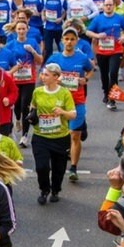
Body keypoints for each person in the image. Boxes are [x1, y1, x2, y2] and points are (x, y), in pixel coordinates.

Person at [51, 26, 95, 179]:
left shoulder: (82, 57)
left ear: (76, 41)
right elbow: (44, 73)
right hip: (58, 102)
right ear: (62, 41)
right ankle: (59, 160)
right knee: (59, 134)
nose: (69, 42)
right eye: (66, 39)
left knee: (74, 135)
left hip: (77, 101)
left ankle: (73, 168)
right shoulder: (55, 58)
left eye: (72, 39)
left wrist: (86, 79)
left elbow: (91, 69)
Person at [30, 63, 77, 205]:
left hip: (60, 137)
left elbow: (73, 115)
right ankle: (44, 190)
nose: (43, 77)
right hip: (40, 136)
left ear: (56, 77)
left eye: (46, 75)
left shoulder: (64, 93)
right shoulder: (37, 92)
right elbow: (33, 106)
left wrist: (62, 112)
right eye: (43, 74)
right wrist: (31, 115)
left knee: (59, 168)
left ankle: (55, 189)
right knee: (41, 167)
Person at [86, 0, 124, 109]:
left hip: (116, 50)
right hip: (102, 51)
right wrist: (97, 35)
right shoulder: (98, 19)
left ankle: (112, 99)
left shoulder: (119, 18)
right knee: (104, 75)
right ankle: (106, 92)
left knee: (113, 73)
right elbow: (88, 31)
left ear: (114, 6)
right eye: (106, 5)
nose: (109, 7)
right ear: (103, 6)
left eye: (111, 5)